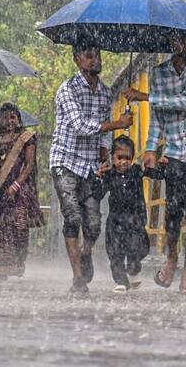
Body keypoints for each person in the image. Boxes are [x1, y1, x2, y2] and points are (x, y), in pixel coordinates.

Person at [123, 35, 186, 295]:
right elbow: (158, 118)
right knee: (173, 212)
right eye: (180, 39)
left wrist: (143, 96)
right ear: (172, 41)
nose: (185, 44)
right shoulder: (159, 73)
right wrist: (151, 148)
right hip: (175, 151)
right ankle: (172, 258)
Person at [50, 41, 133, 294]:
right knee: (73, 216)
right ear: (77, 59)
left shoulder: (106, 94)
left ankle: (85, 252)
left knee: (94, 224)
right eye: (88, 55)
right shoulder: (68, 89)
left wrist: (105, 154)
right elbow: (80, 125)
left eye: (97, 54)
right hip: (64, 161)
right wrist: (118, 124)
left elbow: (103, 134)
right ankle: (78, 278)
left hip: (89, 165)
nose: (94, 59)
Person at [0, 103, 44, 280]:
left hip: (20, 188)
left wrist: (15, 185)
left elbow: (30, 164)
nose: (9, 121)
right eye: (5, 117)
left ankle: (19, 260)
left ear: (19, 119)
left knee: (18, 225)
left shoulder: (27, 137)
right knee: (0, 228)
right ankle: (2, 270)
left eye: (13, 117)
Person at [96, 135, 165, 293]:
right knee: (115, 253)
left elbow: (156, 175)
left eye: (128, 158)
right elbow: (98, 193)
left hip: (135, 221)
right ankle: (121, 281)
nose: (123, 162)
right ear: (112, 158)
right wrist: (97, 177)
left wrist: (161, 165)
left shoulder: (136, 171)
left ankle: (134, 270)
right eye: (119, 158)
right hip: (115, 222)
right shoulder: (109, 174)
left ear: (133, 158)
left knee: (138, 249)